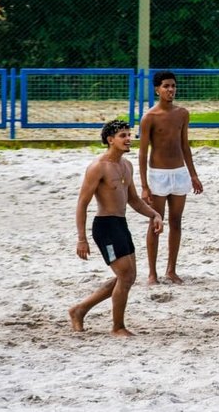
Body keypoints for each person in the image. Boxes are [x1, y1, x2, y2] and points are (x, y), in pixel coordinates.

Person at [70, 120, 164, 336]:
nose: (128, 139)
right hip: (105, 228)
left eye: (129, 134)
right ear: (110, 140)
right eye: (123, 135)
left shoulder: (126, 166)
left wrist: (155, 214)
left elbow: (134, 200)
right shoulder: (98, 167)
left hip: (120, 225)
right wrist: (81, 238)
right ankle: (117, 327)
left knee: (128, 276)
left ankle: (80, 309)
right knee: (126, 275)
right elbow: (82, 203)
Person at [138, 70, 203, 284]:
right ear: (157, 89)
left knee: (176, 222)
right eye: (166, 86)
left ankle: (171, 270)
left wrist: (193, 175)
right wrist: (145, 185)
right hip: (158, 175)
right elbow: (142, 152)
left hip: (179, 173)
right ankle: (152, 273)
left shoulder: (182, 113)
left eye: (173, 86)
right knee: (156, 222)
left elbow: (185, 145)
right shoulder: (149, 117)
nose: (170, 90)